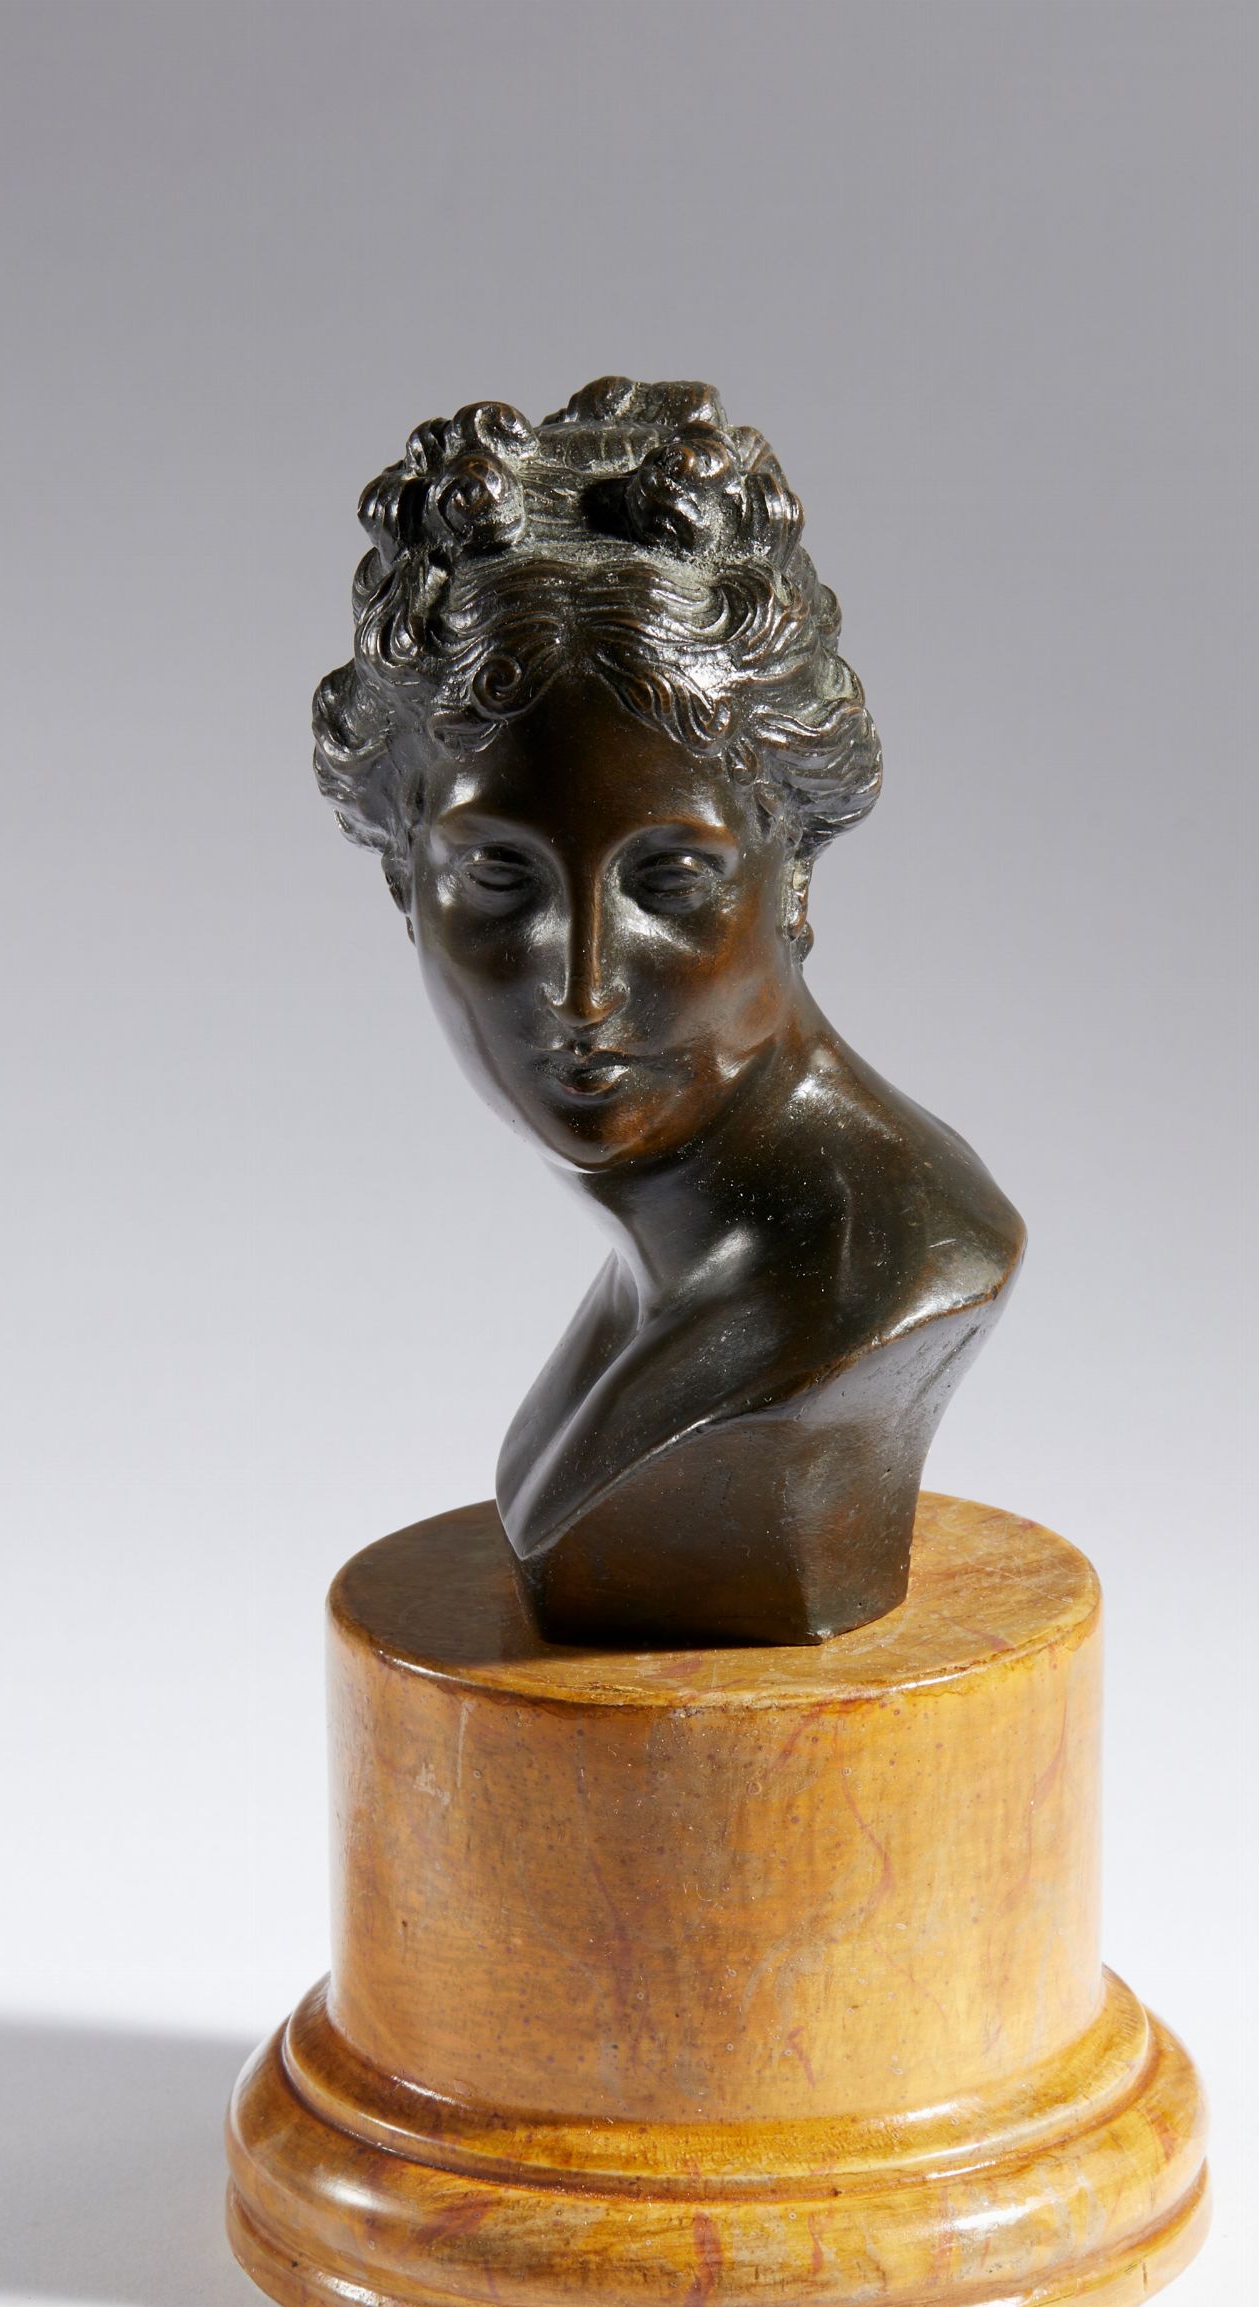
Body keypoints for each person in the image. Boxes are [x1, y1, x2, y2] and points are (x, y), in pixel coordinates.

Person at [313, 378, 1024, 1644]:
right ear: (400, 880)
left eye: (670, 879)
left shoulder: (879, 1275)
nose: (583, 987)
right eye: (500, 878)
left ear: (791, 872)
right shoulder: (674, 1275)